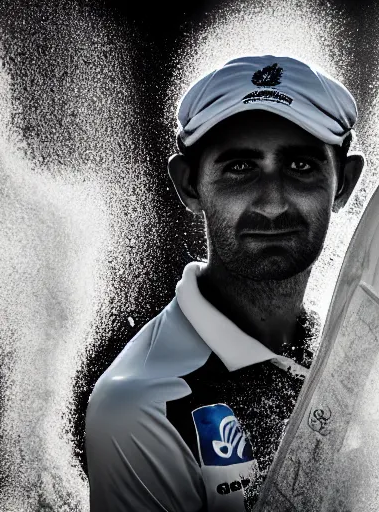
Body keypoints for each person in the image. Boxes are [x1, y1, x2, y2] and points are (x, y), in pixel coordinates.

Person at [85, 55, 363, 512]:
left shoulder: (343, 353)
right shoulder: (139, 404)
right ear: (189, 185)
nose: (272, 205)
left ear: (343, 184)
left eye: (300, 166)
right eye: (239, 168)